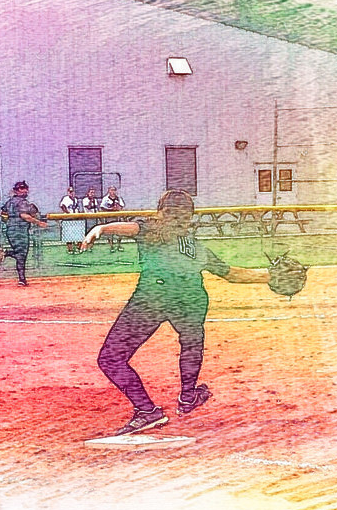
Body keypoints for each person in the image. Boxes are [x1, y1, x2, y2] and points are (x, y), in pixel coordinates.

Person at [81, 189, 271, 436]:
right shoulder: (197, 248)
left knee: (110, 359)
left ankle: (147, 411)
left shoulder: (153, 230)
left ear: (160, 212)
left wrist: (102, 228)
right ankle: (188, 395)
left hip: (154, 296)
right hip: (191, 297)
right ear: (189, 217)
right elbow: (232, 274)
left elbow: (131, 228)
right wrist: (269, 276)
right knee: (191, 344)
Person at [0, 181, 48, 286]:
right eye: (21, 189)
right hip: (19, 230)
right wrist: (39, 223)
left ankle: (21, 278)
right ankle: (21, 277)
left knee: (20, 254)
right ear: (16, 191)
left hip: (11, 229)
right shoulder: (22, 202)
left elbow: (3, 213)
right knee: (22, 254)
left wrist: (10, 221)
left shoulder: (10, 201)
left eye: (25, 188)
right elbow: (25, 216)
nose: (25, 191)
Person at [100, 186, 127, 252]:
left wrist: (118, 207)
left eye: (114, 190)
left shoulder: (118, 198)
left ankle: (119, 245)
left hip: (117, 217)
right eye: (111, 190)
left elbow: (122, 206)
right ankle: (111, 246)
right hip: (109, 218)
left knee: (119, 232)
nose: (113, 191)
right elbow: (102, 207)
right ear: (109, 191)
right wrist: (111, 209)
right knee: (110, 233)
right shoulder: (105, 198)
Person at [58, 187, 85, 254]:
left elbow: (77, 208)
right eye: (70, 192)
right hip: (68, 219)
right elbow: (62, 206)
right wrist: (68, 213)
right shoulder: (66, 198)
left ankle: (78, 249)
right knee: (69, 235)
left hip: (75, 218)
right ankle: (70, 249)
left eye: (73, 191)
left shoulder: (75, 199)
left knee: (78, 234)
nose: (72, 193)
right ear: (68, 192)